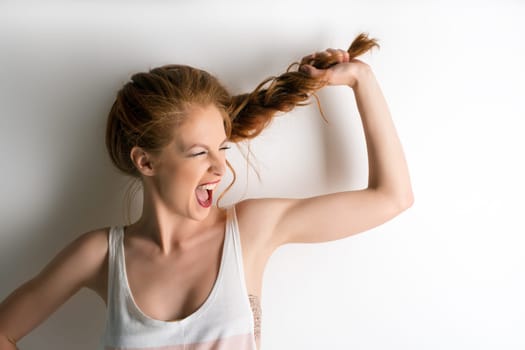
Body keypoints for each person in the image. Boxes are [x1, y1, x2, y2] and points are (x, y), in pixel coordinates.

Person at [0, 33, 413, 350]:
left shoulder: (250, 230)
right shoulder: (101, 255)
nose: (220, 167)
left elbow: (391, 197)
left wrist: (362, 79)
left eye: (223, 148)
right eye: (199, 152)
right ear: (146, 162)